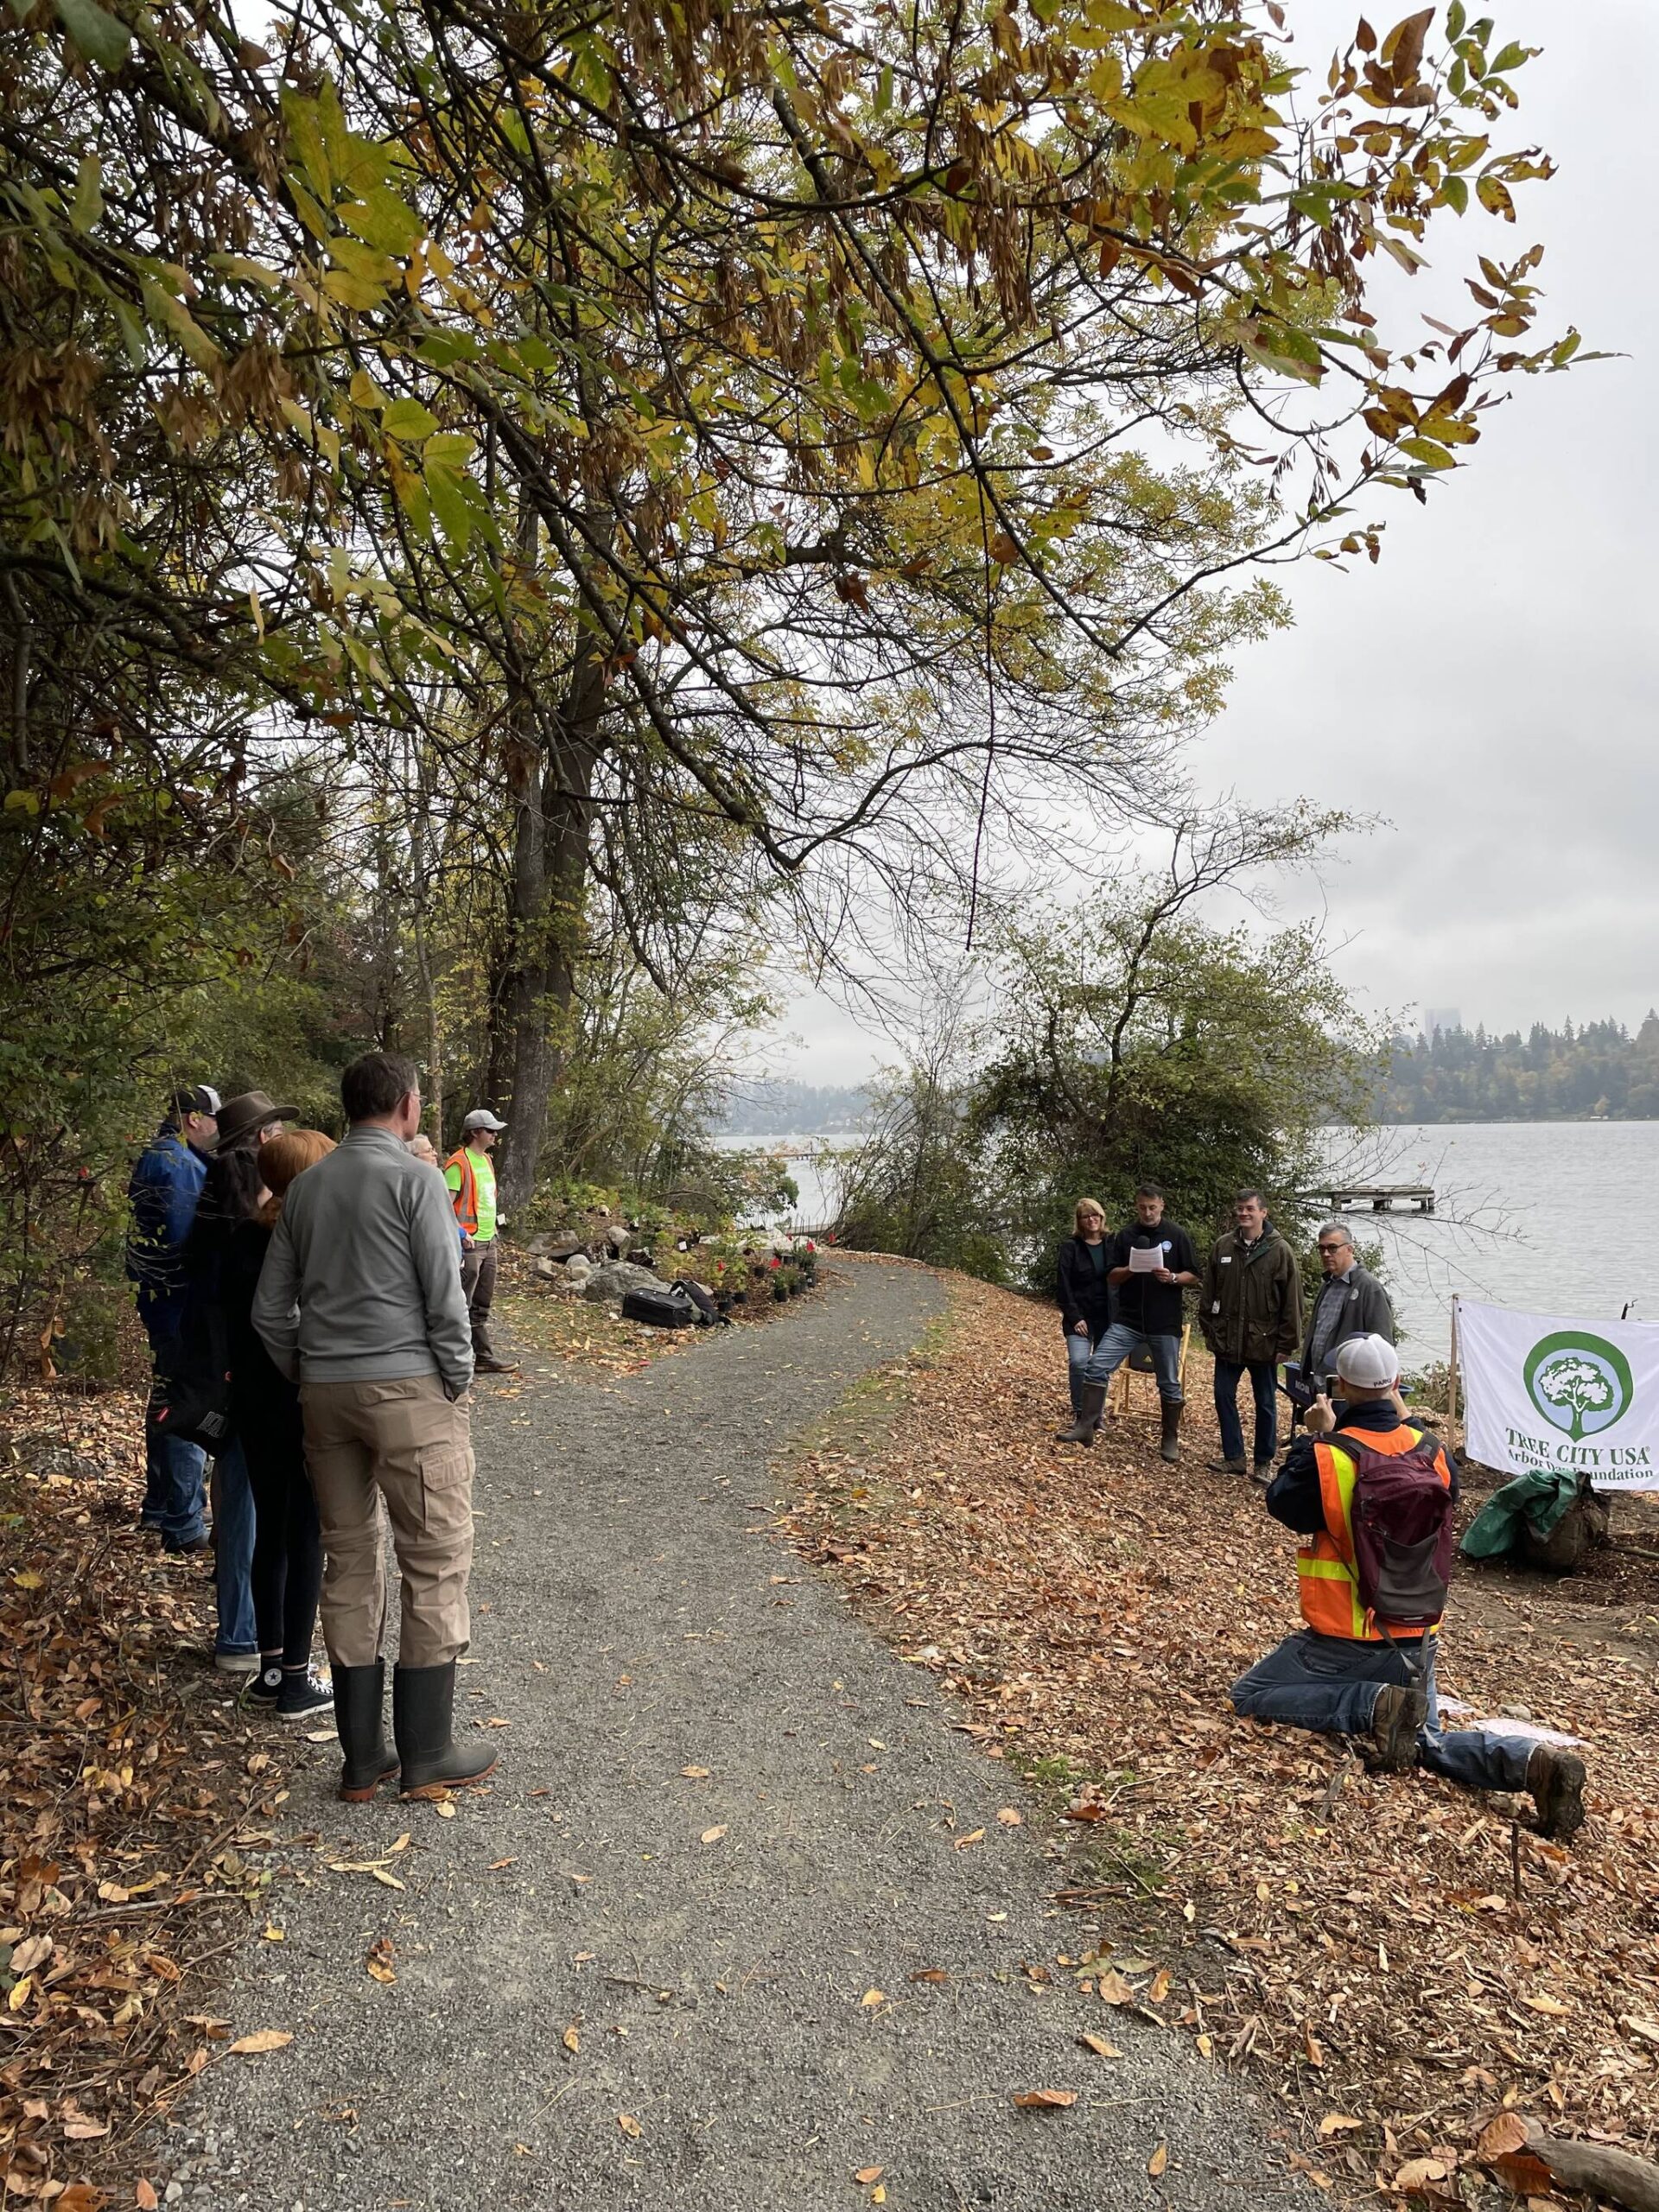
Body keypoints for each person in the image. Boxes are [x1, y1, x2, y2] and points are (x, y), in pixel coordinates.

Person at [254, 1050, 494, 1803]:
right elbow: (443, 1292)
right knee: (433, 1554)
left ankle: (363, 1762)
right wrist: (455, 1378)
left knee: (350, 1561)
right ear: (406, 1106)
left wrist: (308, 1370)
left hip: (325, 1395)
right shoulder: (415, 1177)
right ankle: (428, 1753)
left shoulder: (305, 1188)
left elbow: (270, 1308)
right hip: (409, 1391)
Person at [1230, 1334, 1586, 1840]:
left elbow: (1283, 1504)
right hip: (1418, 1633)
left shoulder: (1329, 1456)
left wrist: (1315, 1438)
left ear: (1342, 1386)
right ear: (1396, 1385)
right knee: (1427, 1739)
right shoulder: (1434, 1453)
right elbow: (1443, 1487)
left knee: (1251, 1694)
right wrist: (1405, 1419)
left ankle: (1371, 1704)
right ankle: (1529, 1763)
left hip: (1345, 1636)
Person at [220, 1128, 335, 1720]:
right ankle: (297, 1677)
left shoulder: (242, 1236)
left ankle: (270, 1668)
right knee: (307, 1533)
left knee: (271, 1530)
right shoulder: (306, 1242)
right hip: (298, 1400)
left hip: (251, 1406)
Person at [184, 1091, 299, 1675]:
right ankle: (242, 1636)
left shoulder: (210, 1191)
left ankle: (238, 1628)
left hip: (214, 1368)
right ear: (258, 1138)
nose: (279, 1135)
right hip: (244, 1376)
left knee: (232, 1501)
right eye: (274, 1127)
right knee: (246, 1507)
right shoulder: (246, 1202)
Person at [127, 1084, 219, 1551]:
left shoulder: (156, 1155)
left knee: (165, 1395)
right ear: (194, 1119)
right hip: (181, 1306)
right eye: (215, 1119)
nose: (218, 1129)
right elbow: (189, 1245)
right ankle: (183, 1523)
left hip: (160, 1303)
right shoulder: (180, 1165)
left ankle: (160, 1505)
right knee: (187, 1400)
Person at [1056, 1185, 1199, 1460]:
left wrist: (1171, 1278)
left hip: (1164, 1321)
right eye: (1143, 1207)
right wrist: (1130, 1270)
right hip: (1128, 1320)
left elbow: (1193, 1274)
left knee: (1169, 1382)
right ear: (1137, 1206)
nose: (1147, 1212)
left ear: (1162, 1206)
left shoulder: (1177, 1235)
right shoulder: (1126, 1236)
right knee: (1096, 1367)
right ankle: (1086, 1426)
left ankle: (1170, 1438)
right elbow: (1111, 1276)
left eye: (1152, 1207)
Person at [1200, 1189, 1301, 1480]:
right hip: (1228, 1340)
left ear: (1263, 1213)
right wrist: (1210, 1328)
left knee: (1266, 1403)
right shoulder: (1223, 1247)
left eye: (1249, 1209)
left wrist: (1287, 1343)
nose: (1244, 1213)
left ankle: (1263, 1463)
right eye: (1240, 1209)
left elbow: (1291, 1302)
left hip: (1264, 1342)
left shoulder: (1279, 1251)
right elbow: (1209, 1291)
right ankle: (1234, 1457)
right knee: (1222, 1395)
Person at [443, 1109, 512, 1374]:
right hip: (468, 1245)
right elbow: (444, 1206)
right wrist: (461, 1233)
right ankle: (455, 1363)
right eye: (490, 1130)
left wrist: (493, 1229)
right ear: (475, 1132)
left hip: (488, 1241)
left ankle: (482, 1357)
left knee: (482, 1303)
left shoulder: (487, 1161)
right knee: (460, 1303)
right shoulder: (458, 1163)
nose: (495, 1134)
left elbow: (487, 1199)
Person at [1296, 1222, 1395, 1396]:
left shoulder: (1369, 1288)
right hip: (1320, 1383)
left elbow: (1383, 1344)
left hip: (1350, 1388)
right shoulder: (1327, 1284)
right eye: (1322, 1249)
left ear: (1349, 1249)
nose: (1326, 1254)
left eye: (1333, 1248)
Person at [1055, 1198, 1114, 1422]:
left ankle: (1096, 1415)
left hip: (1106, 1316)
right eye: (1086, 1216)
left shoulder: (1112, 1243)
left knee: (1101, 1367)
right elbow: (1064, 1285)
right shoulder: (1071, 1246)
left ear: (1102, 1216)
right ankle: (1081, 1411)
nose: (1092, 1220)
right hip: (1078, 1316)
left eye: (1095, 1215)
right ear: (1079, 1221)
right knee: (1079, 1362)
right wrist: (1075, 1317)